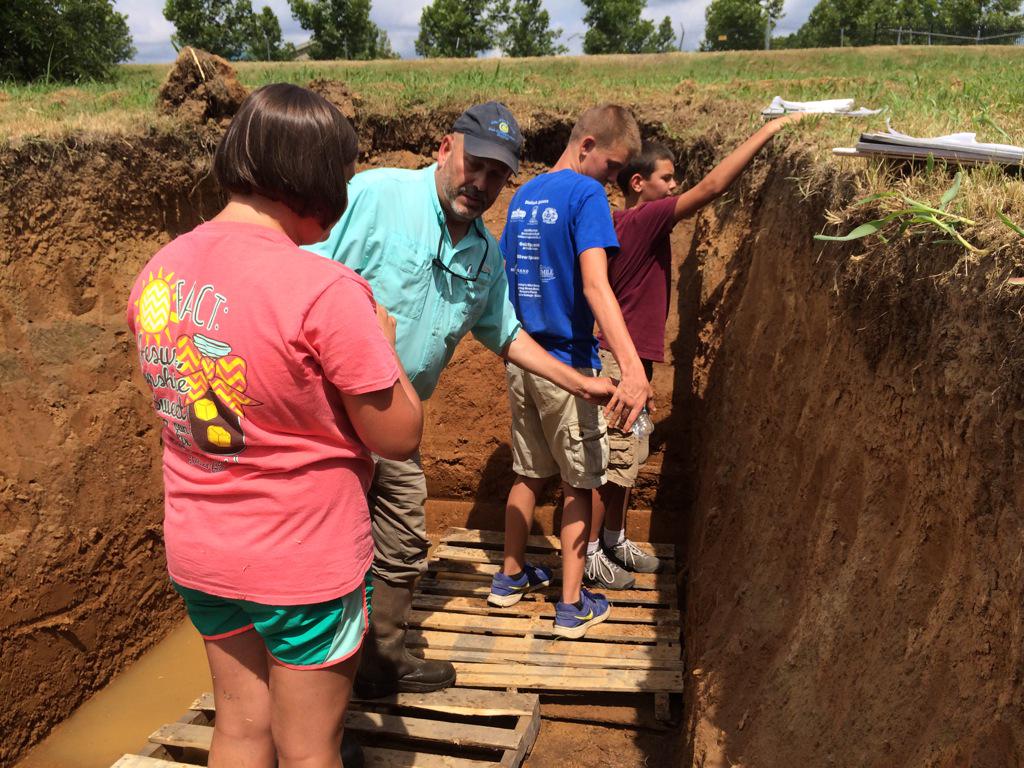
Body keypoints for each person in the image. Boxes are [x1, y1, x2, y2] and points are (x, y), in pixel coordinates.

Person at [127, 83, 422, 768]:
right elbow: (399, 436)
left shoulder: (161, 272)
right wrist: (387, 344)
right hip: (303, 562)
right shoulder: (326, 290)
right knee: (309, 746)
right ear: (317, 176)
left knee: (238, 727)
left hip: (201, 548)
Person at [306, 102, 616, 696]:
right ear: (446, 148)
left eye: (497, 175)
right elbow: (298, 273)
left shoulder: (485, 253)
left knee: (401, 541)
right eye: (474, 164)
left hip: (392, 423)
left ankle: (381, 661)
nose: (481, 183)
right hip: (322, 416)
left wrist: (580, 382)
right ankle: (313, 695)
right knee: (323, 551)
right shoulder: (375, 196)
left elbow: (506, 333)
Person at [590, 114, 806, 576]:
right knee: (610, 463)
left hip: (627, 358)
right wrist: (768, 130)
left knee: (626, 458)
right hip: (619, 361)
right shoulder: (643, 219)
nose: (674, 186)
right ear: (637, 182)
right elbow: (711, 188)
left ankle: (614, 540)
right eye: (666, 178)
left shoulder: (621, 223)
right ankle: (592, 555)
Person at [491, 103, 653, 638]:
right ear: (586, 146)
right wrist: (631, 367)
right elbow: (595, 285)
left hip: (524, 360)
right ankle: (570, 605)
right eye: (611, 167)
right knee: (580, 484)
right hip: (569, 364)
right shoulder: (586, 196)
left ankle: (509, 579)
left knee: (527, 473)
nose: (612, 182)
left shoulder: (523, 196)